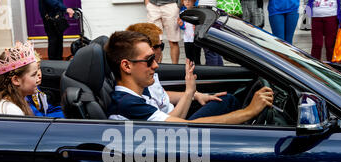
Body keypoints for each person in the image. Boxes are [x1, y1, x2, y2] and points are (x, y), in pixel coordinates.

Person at [104, 31, 273, 124]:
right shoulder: (127, 104)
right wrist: (249, 111)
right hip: (175, 144)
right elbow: (186, 128)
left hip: (175, 135)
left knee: (225, 100)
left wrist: (193, 93)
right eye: (149, 60)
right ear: (126, 66)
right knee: (228, 102)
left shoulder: (139, 88)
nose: (156, 65)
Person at [126, 22, 227, 117]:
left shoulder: (147, 74)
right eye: (161, 46)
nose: (161, 50)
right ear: (150, 49)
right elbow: (169, 127)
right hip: (175, 126)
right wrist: (189, 92)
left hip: (174, 115)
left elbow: (162, 96)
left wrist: (196, 95)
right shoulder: (138, 85)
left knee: (225, 100)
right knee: (227, 101)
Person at [0, 41, 39, 115]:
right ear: (16, 80)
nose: (38, 78)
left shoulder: (16, 100)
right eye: (33, 74)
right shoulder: (12, 111)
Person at [26, 51, 65, 117]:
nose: (39, 74)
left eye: (39, 68)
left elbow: (47, 108)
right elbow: (40, 119)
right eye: (33, 72)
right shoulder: (24, 101)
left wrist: (66, 111)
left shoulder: (35, 88)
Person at [198, 0, 224, 65]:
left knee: (210, 48)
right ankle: (220, 71)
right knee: (215, 48)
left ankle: (214, 73)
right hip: (215, 11)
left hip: (207, 11)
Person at [178, 0, 201, 65]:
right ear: (182, 1)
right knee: (188, 57)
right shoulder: (182, 12)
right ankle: (189, 71)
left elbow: (200, 23)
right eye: (185, 0)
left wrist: (197, 26)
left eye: (189, 0)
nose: (187, 2)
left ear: (194, 2)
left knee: (197, 57)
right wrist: (181, 24)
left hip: (195, 38)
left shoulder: (197, 12)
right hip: (187, 39)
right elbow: (183, 27)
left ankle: (198, 70)